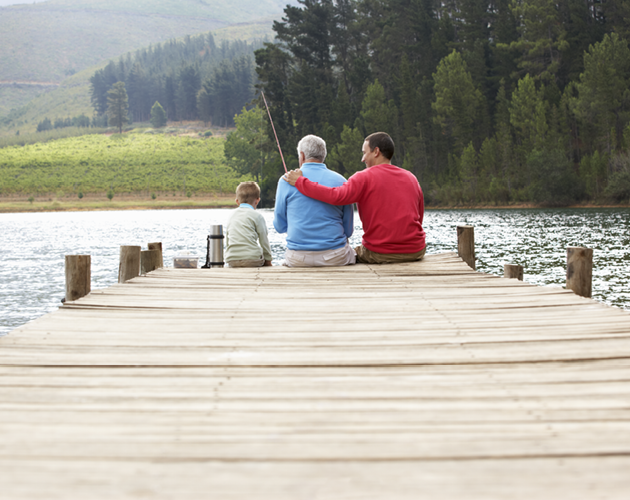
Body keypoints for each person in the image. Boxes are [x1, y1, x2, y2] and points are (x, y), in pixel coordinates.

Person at [284, 132, 426, 264]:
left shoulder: (364, 177)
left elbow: (335, 196)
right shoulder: (411, 177)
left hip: (380, 253)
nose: (362, 158)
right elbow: (419, 216)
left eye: (365, 153)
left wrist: (300, 182)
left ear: (376, 152)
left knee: (352, 253)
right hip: (416, 251)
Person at [273, 134, 355, 267]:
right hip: (335, 257)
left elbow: (279, 226)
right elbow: (348, 230)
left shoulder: (286, 181)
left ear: (302, 156)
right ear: (323, 155)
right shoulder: (342, 181)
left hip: (298, 258)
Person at [225, 181, 273, 268]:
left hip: (232, 259)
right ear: (257, 201)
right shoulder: (257, 216)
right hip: (252, 259)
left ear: (237, 201)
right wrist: (268, 260)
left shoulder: (231, 215)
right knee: (259, 256)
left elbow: (228, 240)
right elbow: (263, 240)